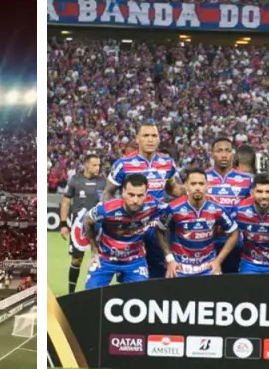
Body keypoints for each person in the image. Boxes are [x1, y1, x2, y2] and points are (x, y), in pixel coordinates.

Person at [103, 123, 181, 278]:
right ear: (137, 139)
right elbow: (107, 193)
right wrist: (110, 217)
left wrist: (195, 190)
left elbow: (173, 189)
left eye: (154, 136)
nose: (150, 140)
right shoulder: (123, 164)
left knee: (159, 270)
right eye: (146, 136)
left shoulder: (167, 163)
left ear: (159, 140)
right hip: (131, 224)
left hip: (157, 224)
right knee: (130, 274)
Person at [82, 174, 168, 289]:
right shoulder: (107, 209)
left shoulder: (153, 205)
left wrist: (160, 227)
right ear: (123, 192)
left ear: (146, 195)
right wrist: (93, 249)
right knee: (90, 296)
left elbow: (170, 211)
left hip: (134, 260)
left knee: (141, 297)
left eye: (140, 195)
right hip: (105, 259)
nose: (135, 200)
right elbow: (87, 220)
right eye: (131, 195)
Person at [164, 168, 239, 277]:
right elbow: (159, 231)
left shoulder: (217, 208)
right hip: (179, 267)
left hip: (208, 267)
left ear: (207, 185)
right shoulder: (173, 208)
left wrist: (218, 261)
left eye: (201, 183)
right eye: (193, 184)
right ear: (186, 185)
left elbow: (234, 233)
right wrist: (169, 259)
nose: (198, 187)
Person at [204, 137, 253, 273]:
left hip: (236, 241)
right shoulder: (202, 178)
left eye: (227, 151)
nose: (224, 155)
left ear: (233, 154)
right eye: (219, 151)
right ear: (212, 154)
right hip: (208, 240)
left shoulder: (247, 179)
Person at [60, 154, 105, 294]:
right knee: (76, 260)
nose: (97, 168)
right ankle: (71, 293)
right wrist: (63, 224)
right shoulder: (75, 180)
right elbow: (66, 202)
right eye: (94, 165)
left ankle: (95, 293)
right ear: (86, 164)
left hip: (98, 226)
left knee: (99, 260)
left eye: (99, 165)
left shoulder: (103, 181)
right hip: (78, 227)